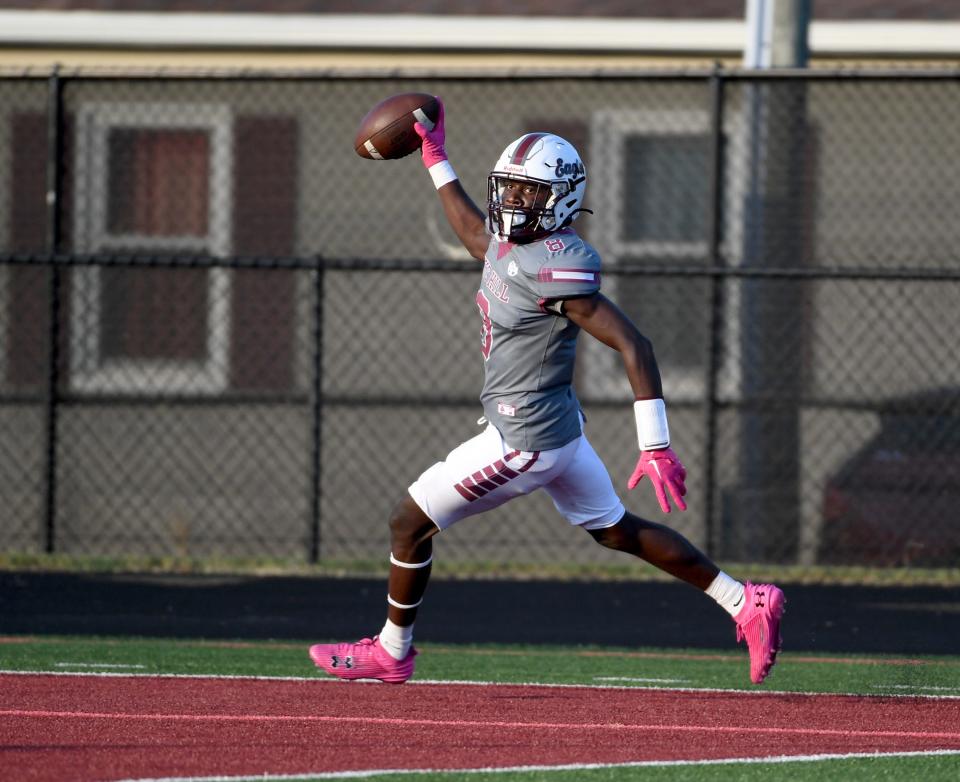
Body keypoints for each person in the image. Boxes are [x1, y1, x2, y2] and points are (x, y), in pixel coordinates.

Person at [309, 98, 784, 686]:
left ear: (559, 199)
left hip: (525, 439)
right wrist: (435, 157)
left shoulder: (554, 263)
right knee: (617, 530)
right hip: (558, 425)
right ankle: (745, 601)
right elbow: (475, 237)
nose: (513, 202)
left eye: (529, 193)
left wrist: (654, 445)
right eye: (509, 188)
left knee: (408, 519)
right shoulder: (514, 248)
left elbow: (635, 345)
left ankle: (392, 650)